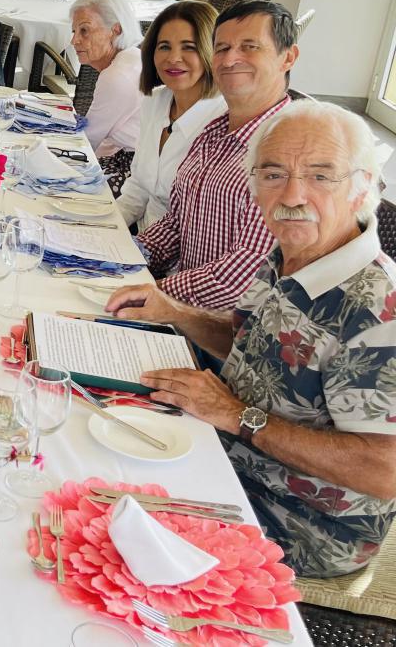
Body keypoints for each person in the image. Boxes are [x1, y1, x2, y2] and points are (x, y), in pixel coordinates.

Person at [106, 102, 396, 578]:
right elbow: (246, 341)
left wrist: (238, 417)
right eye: (273, 173)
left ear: (362, 186)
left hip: (299, 522)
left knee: (101, 523)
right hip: (225, 451)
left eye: (321, 176)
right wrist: (171, 311)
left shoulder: (376, 309)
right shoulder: (291, 251)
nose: (293, 194)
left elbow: (384, 471)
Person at [134, 0, 299, 309]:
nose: (230, 59)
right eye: (222, 48)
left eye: (249, 47)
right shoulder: (212, 132)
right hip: (182, 312)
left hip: (231, 340)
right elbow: (176, 224)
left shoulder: (288, 153)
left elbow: (241, 281)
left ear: (288, 57)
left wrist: (150, 292)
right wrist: (125, 257)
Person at [116, 0, 226, 230]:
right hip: (142, 242)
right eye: (164, 46)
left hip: (181, 259)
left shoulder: (224, 121)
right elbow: (138, 187)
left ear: (212, 51)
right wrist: (107, 228)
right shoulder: (154, 102)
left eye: (189, 47)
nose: (174, 58)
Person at [68, 0, 143, 162]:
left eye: (84, 31)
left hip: (131, 169)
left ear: (115, 30)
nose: (74, 41)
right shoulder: (132, 57)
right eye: (74, 32)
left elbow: (87, 142)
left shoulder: (117, 76)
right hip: (130, 158)